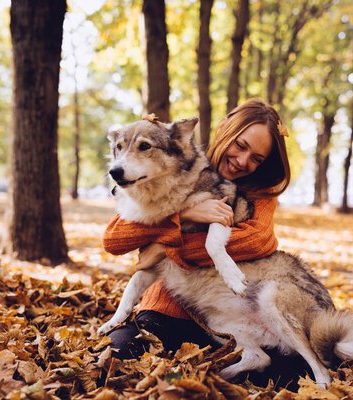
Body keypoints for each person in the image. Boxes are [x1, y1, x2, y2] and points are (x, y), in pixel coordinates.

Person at [102, 98, 310, 387]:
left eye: (257, 158)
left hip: (227, 313)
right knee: (116, 359)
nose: (242, 161)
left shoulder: (260, 192)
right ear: (225, 128)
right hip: (167, 308)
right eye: (240, 145)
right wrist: (183, 215)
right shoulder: (171, 166)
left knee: (291, 377)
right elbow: (115, 238)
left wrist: (164, 247)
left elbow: (256, 241)